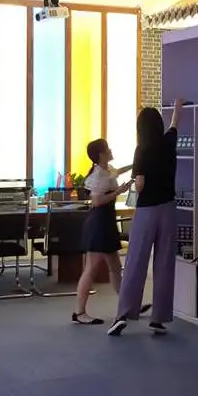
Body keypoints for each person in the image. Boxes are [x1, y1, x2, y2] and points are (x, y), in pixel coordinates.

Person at [109, 99, 183, 337]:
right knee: (165, 263)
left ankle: (123, 314)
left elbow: (140, 185)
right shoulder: (169, 143)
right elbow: (174, 125)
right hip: (168, 209)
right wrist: (177, 107)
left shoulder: (141, 150)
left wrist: (136, 182)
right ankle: (158, 318)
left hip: (147, 210)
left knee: (136, 261)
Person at [71, 139, 132, 325]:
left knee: (115, 267)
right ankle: (79, 312)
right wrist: (119, 191)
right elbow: (97, 201)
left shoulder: (106, 170)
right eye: (107, 149)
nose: (111, 150)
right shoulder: (98, 175)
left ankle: (127, 305)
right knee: (91, 269)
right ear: (101, 154)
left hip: (106, 222)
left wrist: (136, 165)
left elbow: (117, 172)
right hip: (99, 223)